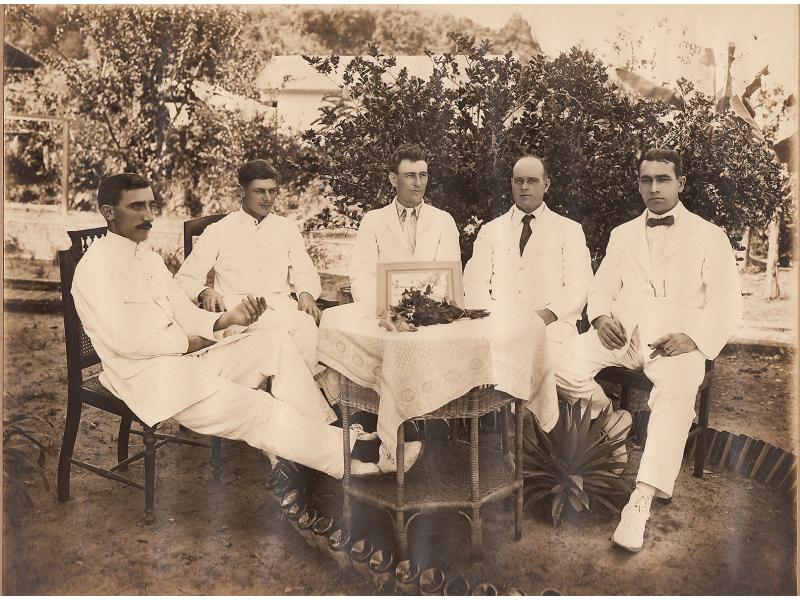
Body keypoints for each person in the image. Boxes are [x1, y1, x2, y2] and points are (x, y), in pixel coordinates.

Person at [72, 172, 421, 480]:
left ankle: (334, 436)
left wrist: (229, 319)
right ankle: (352, 461)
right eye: (137, 207)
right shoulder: (94, 270)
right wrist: (190, 342)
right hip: (147, 379)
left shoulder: (148, 259)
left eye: (151, 206)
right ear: (108, 212)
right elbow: (128, 343)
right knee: (258, 409)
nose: (149, 216)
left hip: (181, 359)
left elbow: (185, 312)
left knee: (274, 343)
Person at [555, 149, 742, 552]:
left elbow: (727, 302)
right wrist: (602, 317)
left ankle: (640, 498)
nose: (654, 188)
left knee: (675, 396)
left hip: (677, 344)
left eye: (663, 179)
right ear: (638, 183)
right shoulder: (623, 233)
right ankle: (612, 422)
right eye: (646, 180)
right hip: (624, 338)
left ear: (681, 183)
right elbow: (601, 286)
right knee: (557, 363)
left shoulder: (710, 235)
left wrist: (694, 339)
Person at [175, 159, 335, 420]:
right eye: (260, 191)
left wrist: (305, 293)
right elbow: (184, 279)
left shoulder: (286, 228)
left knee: (305, 322)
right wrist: (205, 292)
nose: (267, 198)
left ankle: (297, 416)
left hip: (282, 308)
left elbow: (305, 270)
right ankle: (314, 417)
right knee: (302, 327)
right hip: (240, 316)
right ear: (242, 192)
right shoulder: (219, 230)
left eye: (272, 191)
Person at [463, 154, 593, 359]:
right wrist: (493, 318)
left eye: (532, 181)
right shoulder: (490, 231)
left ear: (546, 184)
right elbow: (473, 283)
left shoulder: (569, 230)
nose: (524, 187)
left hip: (551, 327)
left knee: (545, 370)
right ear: (512, 184)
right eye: (519, 181)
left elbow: (580, 285)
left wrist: (545, 316)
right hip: (499, 325)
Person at [348, 143, 461, 312]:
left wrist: (422, 312)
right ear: (394, 179)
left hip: (432, 315)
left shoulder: (444, 221)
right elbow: (362, 277)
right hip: (383, 317)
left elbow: (447, 278)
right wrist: (383, 313)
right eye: (410, 175)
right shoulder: (372, 221)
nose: (418, 182)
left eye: (423, 175)